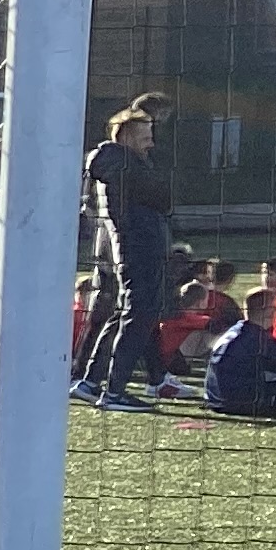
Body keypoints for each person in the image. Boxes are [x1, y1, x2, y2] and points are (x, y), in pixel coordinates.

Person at [77, 105, 174, 409]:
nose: (151, 144)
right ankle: (115, 391)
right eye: (146, 137)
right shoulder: (125, 167)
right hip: (138, 250)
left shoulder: (123, 166)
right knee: (138, 315)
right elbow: (162, 199)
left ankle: (92, 382)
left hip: (134, 249)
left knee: (124, 313)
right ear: (129, 139)